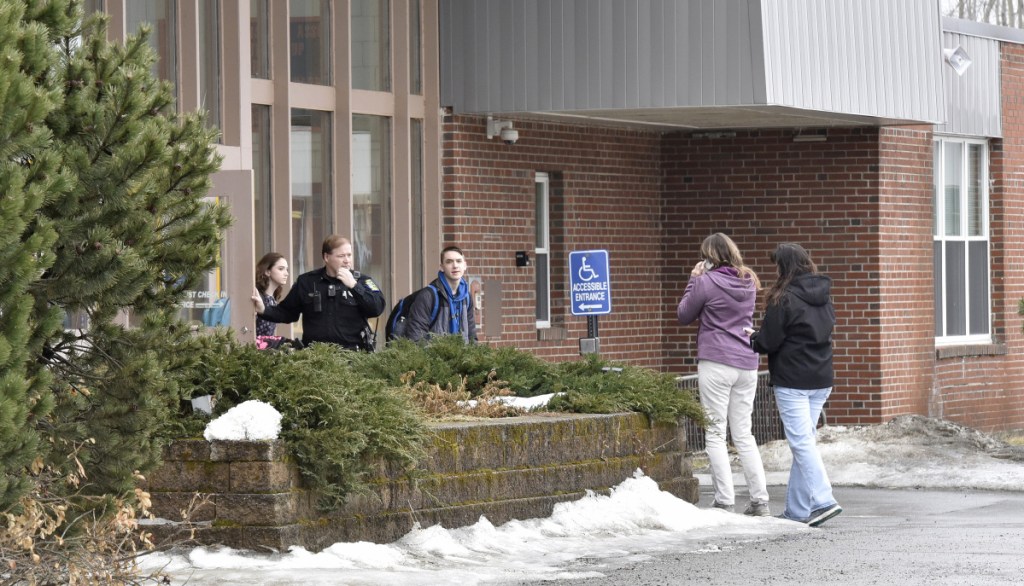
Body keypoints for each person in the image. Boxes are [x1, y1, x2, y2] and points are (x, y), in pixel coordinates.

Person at [677, 233, 770, 517]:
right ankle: (760, 501)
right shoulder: (749, 281)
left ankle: (725, 500)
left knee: (715, 432)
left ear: (709, 258)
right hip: (746, 360)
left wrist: (693, 280)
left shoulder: (705, 282)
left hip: (716, 359)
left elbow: (684, 314)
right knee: (744, 433)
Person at [749, 243, 842, 527]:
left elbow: (768, 342)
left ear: (783, 267)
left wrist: (752, 337)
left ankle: (824, 500)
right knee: (806, 444)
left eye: (776, 265)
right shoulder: (824, 296)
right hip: (821, 378)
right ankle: (798, 510)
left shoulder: (784, 298)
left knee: (802, 443)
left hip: (792, 380)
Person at [251, 235, 386, 350]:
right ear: (326, 257)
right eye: (341, 256)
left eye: (349, 255)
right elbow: (287, 313)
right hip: (316, 358)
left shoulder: (362, 281)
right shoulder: (307, 282)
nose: (347, 260)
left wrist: (354, 286)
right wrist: (264, 310)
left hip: (352, 357)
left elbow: (377, 308)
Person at [403, 245, 477, 343]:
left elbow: (472, 337)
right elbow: (416, 338)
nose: (455, 265)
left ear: (465, 265)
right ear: (441, 267)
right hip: (433, 357)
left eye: (458, 261)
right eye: (449, 262)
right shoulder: (428, 296)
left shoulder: (466, 297)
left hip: (460, 357)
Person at [254, 252, 289, 337]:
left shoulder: (273, 299)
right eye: (281, 269)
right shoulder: (257, 297)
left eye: (286, 269)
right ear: (267, 271)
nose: (286, 273)